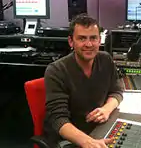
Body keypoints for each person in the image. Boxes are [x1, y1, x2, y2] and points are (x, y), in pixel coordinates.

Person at [43, 14, 123, 148]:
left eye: (93, 38)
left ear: (99, 40)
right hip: (68, 138)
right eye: (82, 38)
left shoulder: (106, 60)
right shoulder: (56, 70)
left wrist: (106, 109)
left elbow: (117, 91)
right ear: (71, 41)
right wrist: (88, 142)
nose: (89, 44)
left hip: (98, 129)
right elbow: (58, 119)